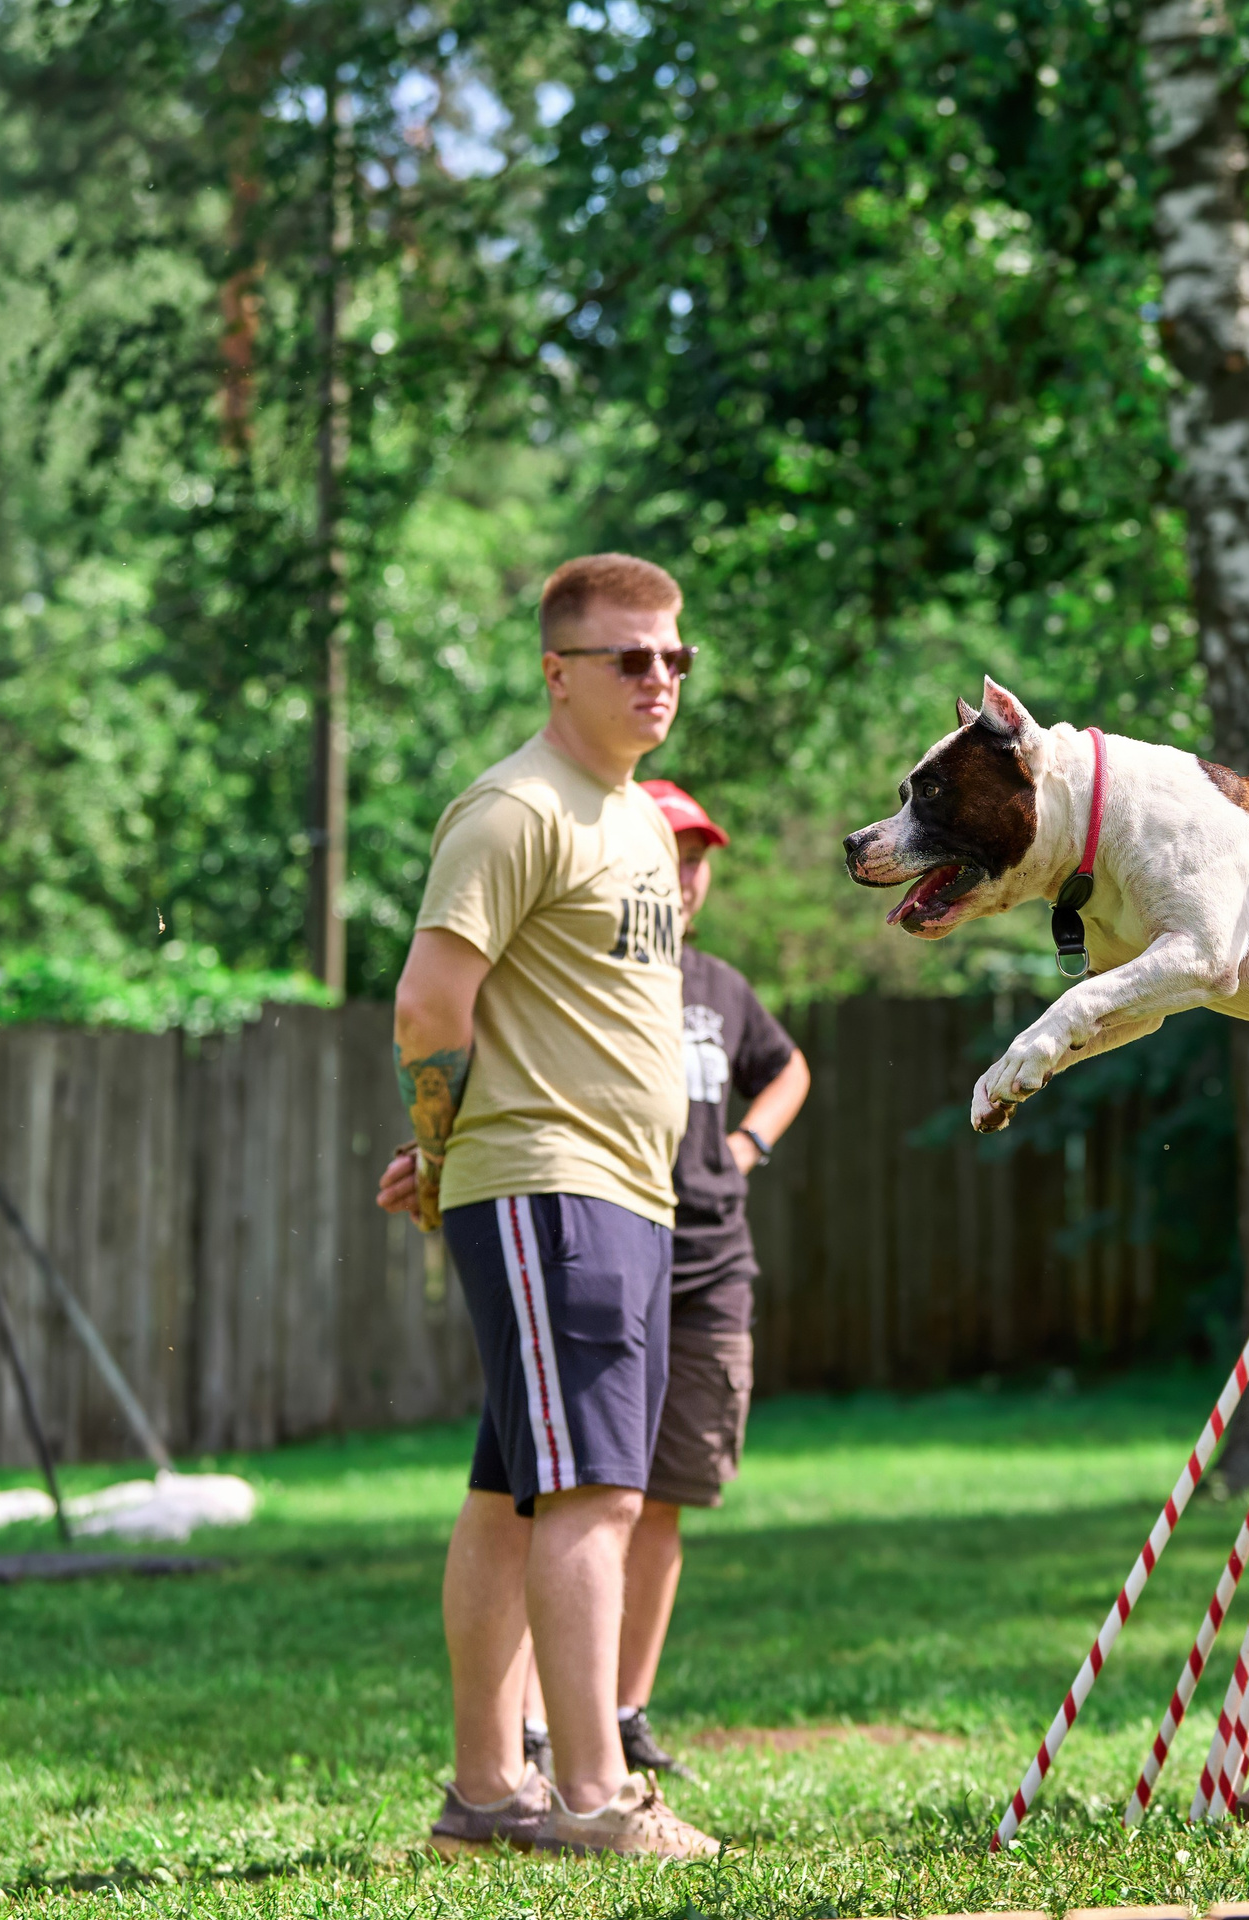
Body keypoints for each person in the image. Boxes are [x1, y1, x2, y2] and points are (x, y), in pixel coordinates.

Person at [376, 551, 718, 1860]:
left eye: (675, 655)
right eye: (630, 656)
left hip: (619, 1191)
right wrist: (442, 1152)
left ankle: (484, 1793)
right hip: (554, 1184)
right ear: (556, 671)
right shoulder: (514, 809)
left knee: (512, 1490)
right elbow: (429, 1006)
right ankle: (591, 1797)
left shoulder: (632, 818)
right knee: (594, 1496)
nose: (659, 677)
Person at [514, 780, 811, 1782]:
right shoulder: (588, 967)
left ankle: (625, 1711)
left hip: (711, 1264)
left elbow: (789, 1066)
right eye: (670, 855)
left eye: (698, 860)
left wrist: (746, 1146)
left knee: (669, 1495)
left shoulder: (720, 986)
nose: (685, 877)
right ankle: (539, 1725)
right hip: (605, 1249)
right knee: (581, 1492)